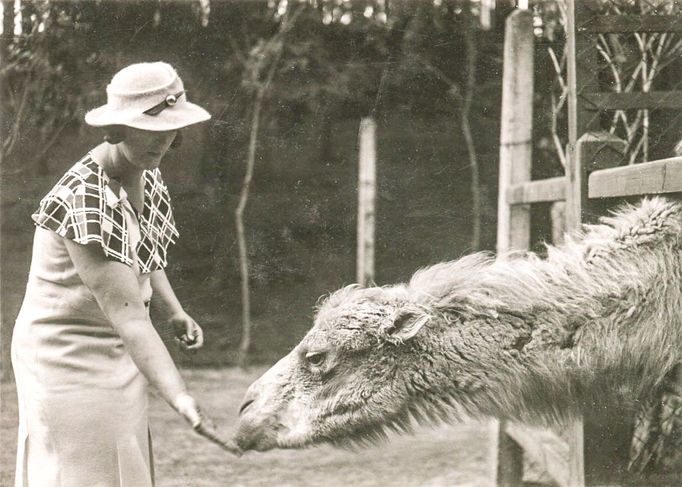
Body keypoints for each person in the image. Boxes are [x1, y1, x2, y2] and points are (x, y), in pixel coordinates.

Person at [11, 61, 236, 487]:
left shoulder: (145, 175)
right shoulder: (85, 198)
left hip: (118, 347)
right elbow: (130, 317)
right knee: (81, 470)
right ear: (116, 128)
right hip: (65, 353)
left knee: (122, 459)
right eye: (148, 128)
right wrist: (182, 398)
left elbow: (144, 257)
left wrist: (174, 311)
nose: (161, 141)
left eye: (170, 129)